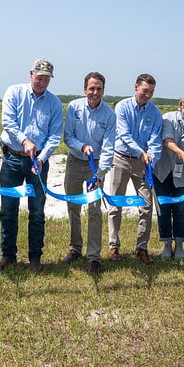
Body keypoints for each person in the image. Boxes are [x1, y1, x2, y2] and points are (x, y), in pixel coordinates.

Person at [0, 59, 64, 272]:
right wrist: (25, 141)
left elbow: (54, 136)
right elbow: (8, 122)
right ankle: (8, 255)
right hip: (12, 158)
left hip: (39, 163)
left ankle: (35, 257)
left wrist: (42, 158)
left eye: (46, 79)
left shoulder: (54, 103)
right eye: (39, 77)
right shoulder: (14, 92)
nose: (42, 82)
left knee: (37, 211)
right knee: (8, 210)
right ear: (30, 74)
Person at [62, 72, 116, 276]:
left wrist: (99, 175)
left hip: (96, 167)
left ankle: (94, 256)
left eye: (99, 88)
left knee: (94, 210)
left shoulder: (110, 115)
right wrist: (82, 146)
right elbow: (68, 137)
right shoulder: (74, 107)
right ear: (85, 89)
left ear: (103, 90)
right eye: (91, 88)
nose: (95, 92)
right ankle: (75, 248)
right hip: (75, 162)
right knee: (73, 206)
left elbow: (109, 147)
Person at [107, 74, 162, 265]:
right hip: (121, 158)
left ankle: (142, 247)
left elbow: (155, 141)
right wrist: (140, 152)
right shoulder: (122, 106)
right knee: (115, 203)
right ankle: (113, 246)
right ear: (136, 87)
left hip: (144, 163)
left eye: (151, 92)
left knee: (146, 205)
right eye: (145, 91)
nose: (148, 95)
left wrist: (151, 160)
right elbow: (123, 134)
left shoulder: (155, 112)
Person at [152, 91, 184, 261]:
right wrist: (182, 153)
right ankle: (166, 244)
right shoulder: (168, 118)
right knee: (164, 209)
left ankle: (180, 244)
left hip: (183, 175)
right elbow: (167, 140)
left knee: (181, 210)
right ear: (181, 105)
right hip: (161, 172)